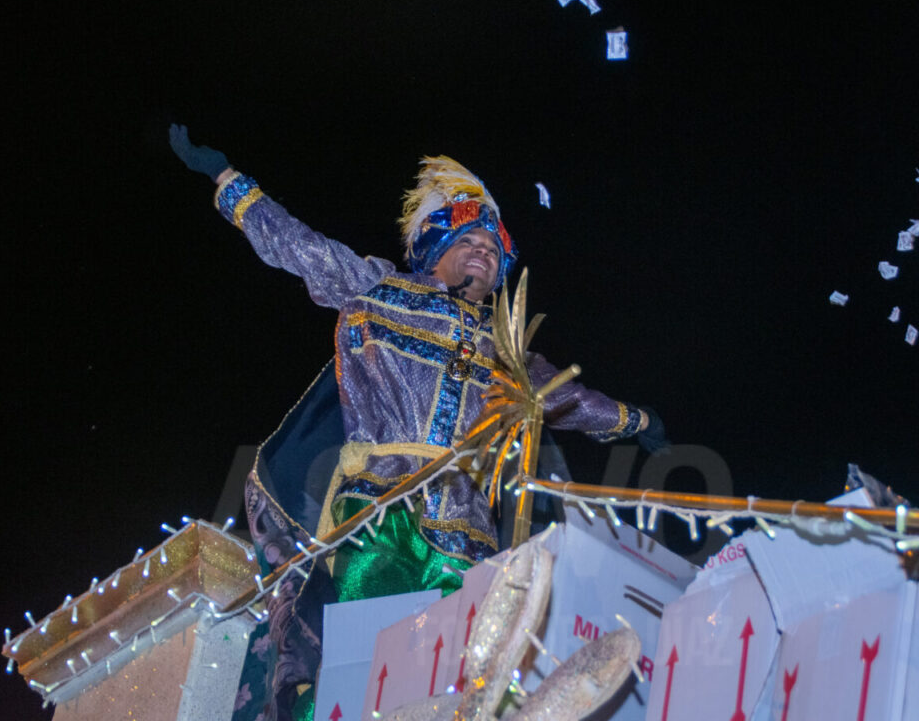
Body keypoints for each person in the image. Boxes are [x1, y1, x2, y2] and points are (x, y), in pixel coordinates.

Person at [169, 124, 665, 720]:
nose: (484, 249)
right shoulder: (380, 288)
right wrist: (227, 181)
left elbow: (567, 397)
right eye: (470, 237)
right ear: (435, 243)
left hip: (467, 526)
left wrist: (635, 421)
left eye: (494, 245)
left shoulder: (505, 345)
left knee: (466, 656)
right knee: (366, 651)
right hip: (381, 510)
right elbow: (299, 247)